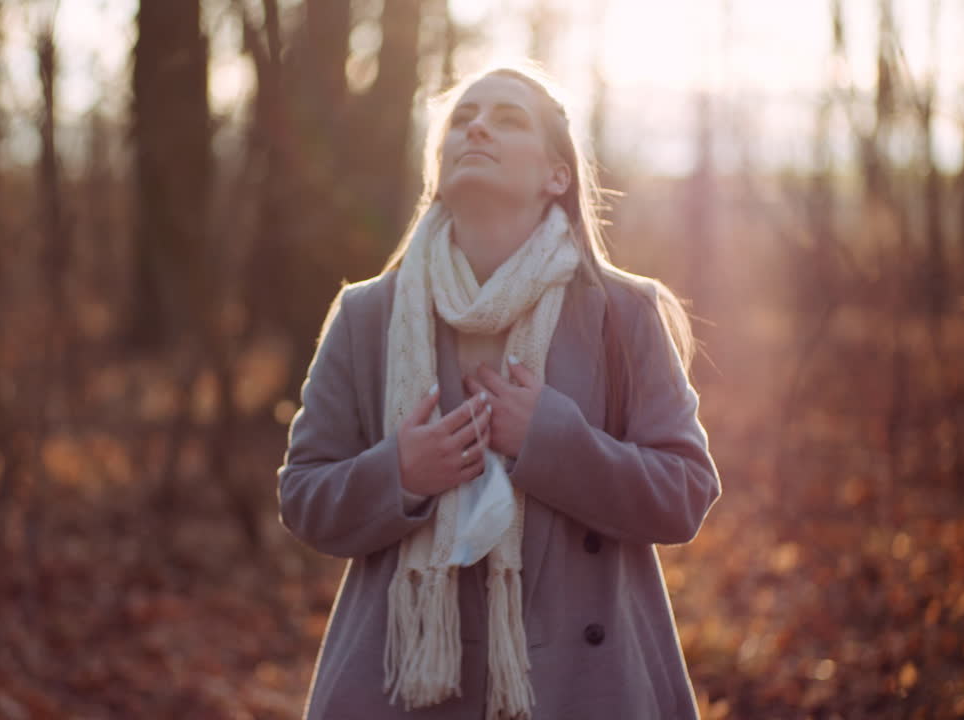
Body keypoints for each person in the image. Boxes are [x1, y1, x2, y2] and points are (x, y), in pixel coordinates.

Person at [277, 61, 722, 720]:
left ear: (557, 176)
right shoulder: (368, 315)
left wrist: (553, 442)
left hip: (582, 688)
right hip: (404, 688)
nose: (477, 127)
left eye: (507, 119)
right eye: (463, 119)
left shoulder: (624, 313)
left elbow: (686, 491)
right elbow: (303, 495)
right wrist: (400, 473)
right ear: (439, 168)